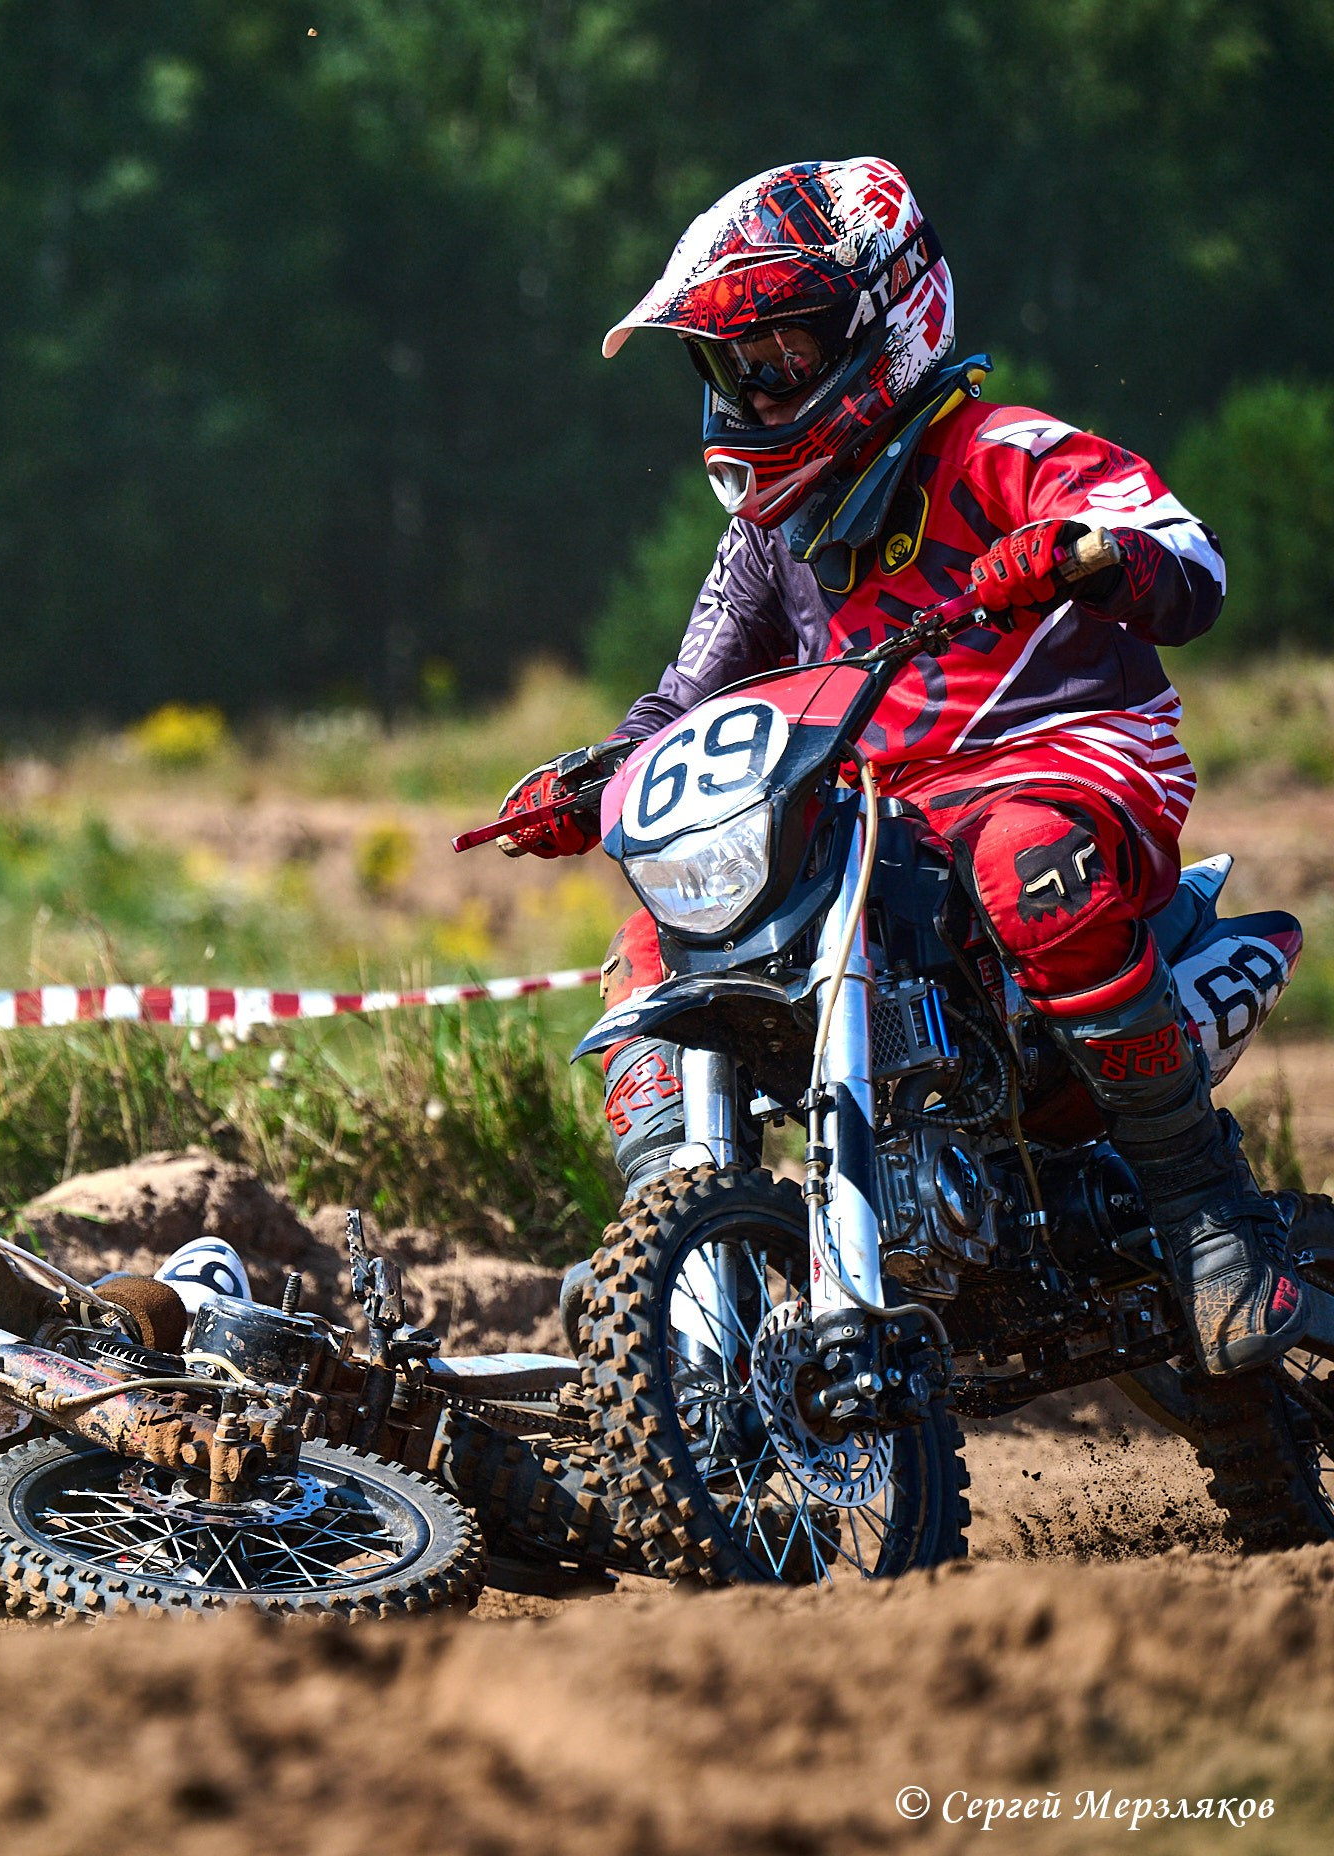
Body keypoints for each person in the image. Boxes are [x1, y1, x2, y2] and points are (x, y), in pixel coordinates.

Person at [498, 157, 1321, 1377]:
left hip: (1062, 760)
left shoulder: (995, 447)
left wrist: (1091, 551)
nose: (758, 381)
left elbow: (1184, 555)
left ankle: (1210, 1218)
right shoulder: (767, 534)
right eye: (735, 360)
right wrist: (592, 776)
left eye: (782, 348)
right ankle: (672, 1252)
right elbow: (684, 697)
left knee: (1023, 860)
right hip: (880, 810)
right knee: (651, 946)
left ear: (885, 316)